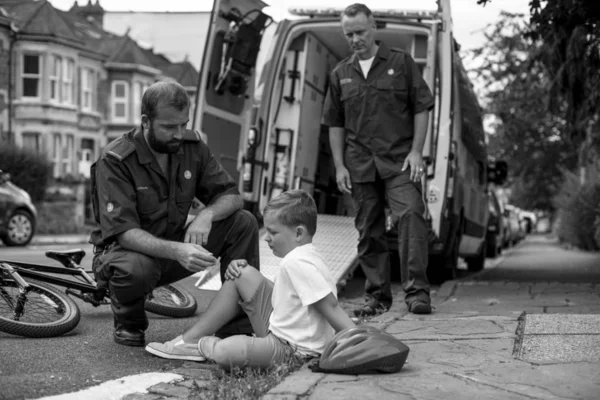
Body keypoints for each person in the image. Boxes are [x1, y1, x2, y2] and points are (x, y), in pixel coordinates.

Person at [90, 81, 260, 347]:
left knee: (243, 223)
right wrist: (179, 251)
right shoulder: (116, 160)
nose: (179, 133)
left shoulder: (192, 147)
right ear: (146, 121)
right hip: (127, 256)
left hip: (172, 248)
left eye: (184, 124)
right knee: (135, 268)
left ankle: (237, 327)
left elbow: (232, 195)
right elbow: (124, 233)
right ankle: (129, 322)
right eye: (169, 127)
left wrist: (207, 215)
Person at [145, 190, 355, 369]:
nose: (267, 238)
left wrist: (357, 341)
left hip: (292, 351)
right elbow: (291, 300)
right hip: (281, 333)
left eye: (273, 232)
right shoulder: (309, 255)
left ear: (298, 233)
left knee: (226, 351)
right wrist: (245, 273)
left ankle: (203, 345)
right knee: (241, 274)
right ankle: (191, 341)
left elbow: (331, 307)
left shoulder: (296, 263)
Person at [321, 3, 435, 316]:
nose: (355, 38)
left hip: (400, 161)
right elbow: (335, 123)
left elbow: (422, 107)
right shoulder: (341, 73)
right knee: (368, 230)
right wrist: (340, 165)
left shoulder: (401, 62)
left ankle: (417, 293)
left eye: (359, 31)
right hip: (359, 164)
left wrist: (416, 151)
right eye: (349, 34)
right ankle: (378, 297)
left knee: (411, 214)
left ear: (373, 26)